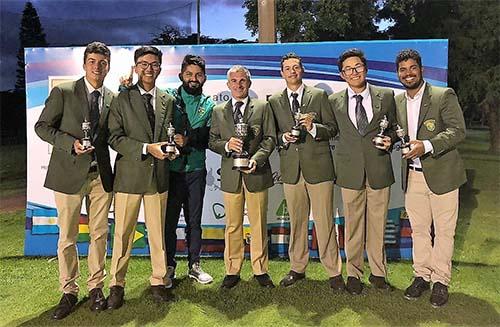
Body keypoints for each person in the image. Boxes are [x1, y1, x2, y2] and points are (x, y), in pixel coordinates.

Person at [34, 41, 115, 320]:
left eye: (102, 62)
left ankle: (96, 288)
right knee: (67, 237)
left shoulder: (113, 97)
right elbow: (42, 126)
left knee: (99, 234)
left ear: (108, 66)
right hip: (68, 174)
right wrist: (70, 143)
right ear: (84, 64)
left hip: (101, 176)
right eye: (92, 61)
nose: (97, 66)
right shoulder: (64, 91)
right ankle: (68, 291)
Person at [120, 55, 215, 284]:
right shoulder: (168, 98)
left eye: (198, 75)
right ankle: (169, 265)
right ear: (181, 75)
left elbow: (209, 137)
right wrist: (124, 87)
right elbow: (142, 111)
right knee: (168, 221)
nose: (193, 79)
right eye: (189, 74)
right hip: (169, 169)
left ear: (204, 78)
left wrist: (189, 139)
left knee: (194, 221)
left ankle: (194, 265)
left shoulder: (209, 104)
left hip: (195, 169)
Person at [394, 49, 467, 307]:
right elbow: (398, 135)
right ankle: (421, 277)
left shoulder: (442, 95)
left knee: (445, 232)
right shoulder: (398, 101)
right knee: (419, 232)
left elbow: (458, 131)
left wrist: (425, 146)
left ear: (421, 70)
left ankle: (440, 282)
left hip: (443, 176)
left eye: (412, 68)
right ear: (398, 73)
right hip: (412, 177)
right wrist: (386, 140)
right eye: (403, 70)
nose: (408, 73)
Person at [268, 53, 344, 291]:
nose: (292, 71)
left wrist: (313, 129)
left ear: (302, 70)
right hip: (291, 170)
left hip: (319, 169)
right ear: (282, 73)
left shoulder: (319, 96)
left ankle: (333, 272)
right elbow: (273, 135)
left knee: (324, 222)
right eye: (287, 68)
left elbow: (332, 129)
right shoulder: (274, 101)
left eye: (296, 67)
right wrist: (284, 137)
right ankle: (297, 268)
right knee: (297, 222)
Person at [107, 46, 175, 309]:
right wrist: (147, 149)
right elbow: (114, 137)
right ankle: (116, 285)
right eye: (144, 64)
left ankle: (158, 282)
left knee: (157, 234)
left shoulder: (167, 100)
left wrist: (171, 150)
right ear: (136, 67)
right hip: (129, 178)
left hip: (158, 177)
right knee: (123, 235)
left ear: (159, 68)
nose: (149, 68)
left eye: (154, 64)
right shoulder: (121, 99)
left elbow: (168, 135)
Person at [329, 48, 396, 295]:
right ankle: (354, 274)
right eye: (348, 69)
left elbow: (395, 129)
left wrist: (390, 139)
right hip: (349, 172)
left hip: (379, 168)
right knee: (353, 225)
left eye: (357, 67)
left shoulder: (386, 95)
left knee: (378, 224)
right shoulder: (334, 101)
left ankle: (378, 274)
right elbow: (328, 130)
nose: (353, 72)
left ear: (365, 69)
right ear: (342, 75)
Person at [209, 65, 276, 289]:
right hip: (230, 175)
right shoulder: (218, 111)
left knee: (258, 224)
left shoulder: (263, 107)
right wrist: (227, 145)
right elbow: (212, 141)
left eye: (242, 80)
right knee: (232, 226)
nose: (238, 85)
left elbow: (269, 139)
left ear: (249, 83)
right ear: (228, 85)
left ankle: (260, 269)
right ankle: (232, 270)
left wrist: (257, 158)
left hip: (256, 173)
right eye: (234, 81)